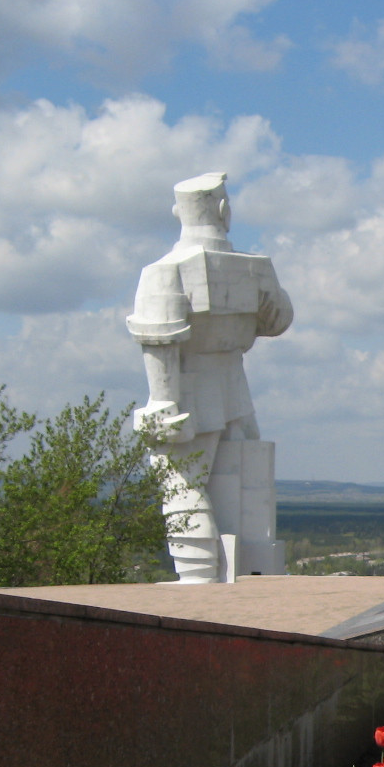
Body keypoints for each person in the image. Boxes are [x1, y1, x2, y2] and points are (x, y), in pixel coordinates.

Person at [127, 171, 293, 583]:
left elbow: (159, 342)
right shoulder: (254, 269)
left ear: (176, 212)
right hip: (236, 388)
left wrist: (163, 406)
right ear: (223, 210)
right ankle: (249, 579)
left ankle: (199, 585)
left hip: (190, 389)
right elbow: (278, 321)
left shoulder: (164, 271)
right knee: (244, 480)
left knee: (181, 487)